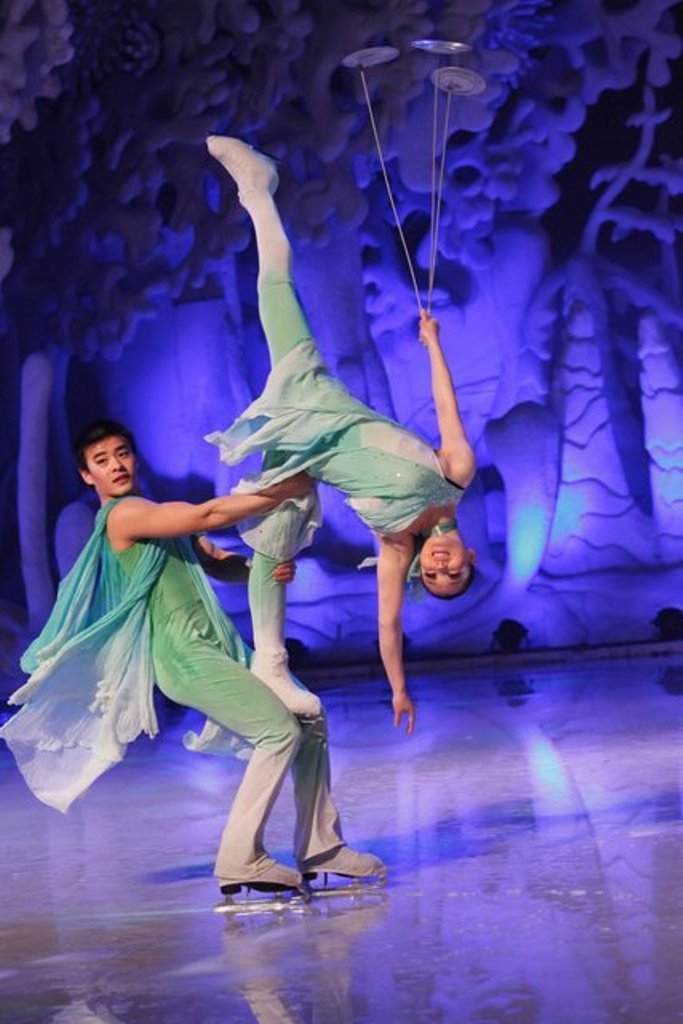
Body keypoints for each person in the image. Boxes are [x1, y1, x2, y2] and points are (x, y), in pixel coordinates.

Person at [0, 419, 385, 897]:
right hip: (183, 657)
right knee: (279, 732)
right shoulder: (124, 516)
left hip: (213, 646)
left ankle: (321, 846)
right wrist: (279, 494)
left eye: (122, 453)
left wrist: (263, 569)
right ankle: (240, 858)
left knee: (310, 720)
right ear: (87, 475)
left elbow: (216, 561)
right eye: (101, 460)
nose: (115, 465)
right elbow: (208, 515)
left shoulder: (156, 512)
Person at [204, 136, 477, 736]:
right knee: (275, 293)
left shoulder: (395, 547)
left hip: (300, 456)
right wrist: (433, 344)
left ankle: (269, 660)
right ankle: (259, 189)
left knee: (269, 537)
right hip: (317, 402)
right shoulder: (456, 474)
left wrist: (398, 689)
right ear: (469, 557)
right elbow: (445, 405)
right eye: (454, 572)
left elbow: (388, 626)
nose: (440, 568)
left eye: (435, 579)